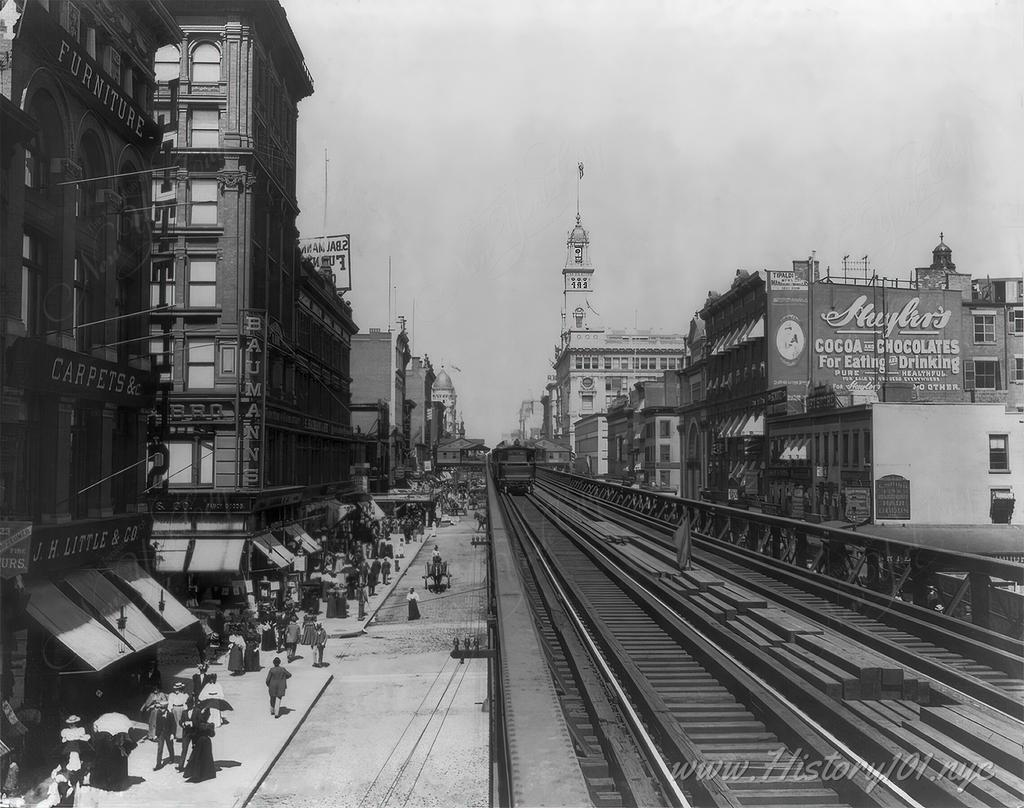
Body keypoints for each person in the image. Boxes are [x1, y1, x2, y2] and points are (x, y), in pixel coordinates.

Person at [181, 706, 216, 783]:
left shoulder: (209, 724)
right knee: (198, 757)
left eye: (205, 715)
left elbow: (212, 734)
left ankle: (202, 774)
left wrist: (209, 727)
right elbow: (196, 733)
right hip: (201, 742)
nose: (203, 716)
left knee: (204, 757)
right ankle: (198, 774)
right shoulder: (199, 723)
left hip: (205, 742)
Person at [59, 716, 90, 787]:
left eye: (74, 724)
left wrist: (82, 738)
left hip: (76, 748)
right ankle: (72, 778)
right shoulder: (67, 731)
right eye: (71, 724)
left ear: (76, 724)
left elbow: (85, 738)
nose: (72, 725)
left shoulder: (79, 730)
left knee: (76, 760)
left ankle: (76, 778)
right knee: (72, 761)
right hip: (71, 749)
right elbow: (64, 740)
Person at [153, 703, 176, 770]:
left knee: (170, 746)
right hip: (161, 734)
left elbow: (173, 725)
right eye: (160, 708)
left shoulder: (170, 714)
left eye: (162, 708)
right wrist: (156, 735)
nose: (161, 710)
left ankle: (172, 758)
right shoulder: (158, 714)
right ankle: (158, 765)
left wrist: (172, 734)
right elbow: (157, 725)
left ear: (166, 708)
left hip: (168, 733)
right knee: (160, 749)